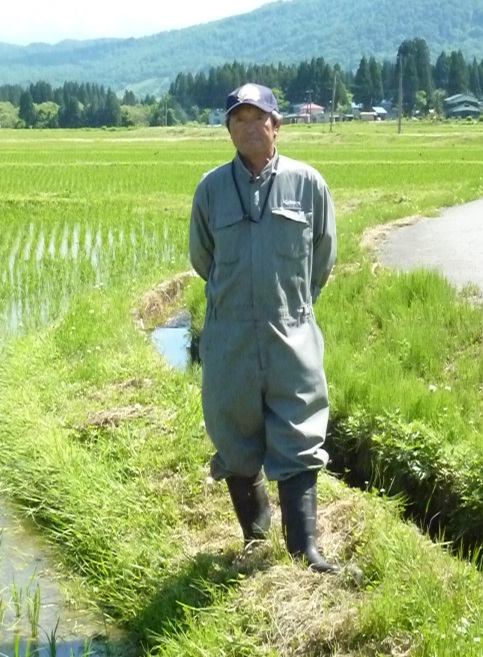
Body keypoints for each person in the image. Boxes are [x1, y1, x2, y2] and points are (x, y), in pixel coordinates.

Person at [189, 83, 338, 573]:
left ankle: (305, 550)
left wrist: (290, 306)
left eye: (258, 118)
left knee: (299, 430)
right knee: (234, 435)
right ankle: (255, 539)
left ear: (277, 125)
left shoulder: (308, 183)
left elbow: (322, 257)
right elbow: (203, 258)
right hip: (229, 333)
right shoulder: (211, 189)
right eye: (239, 119)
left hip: (290, 329)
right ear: (228, 129)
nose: (249, 126)